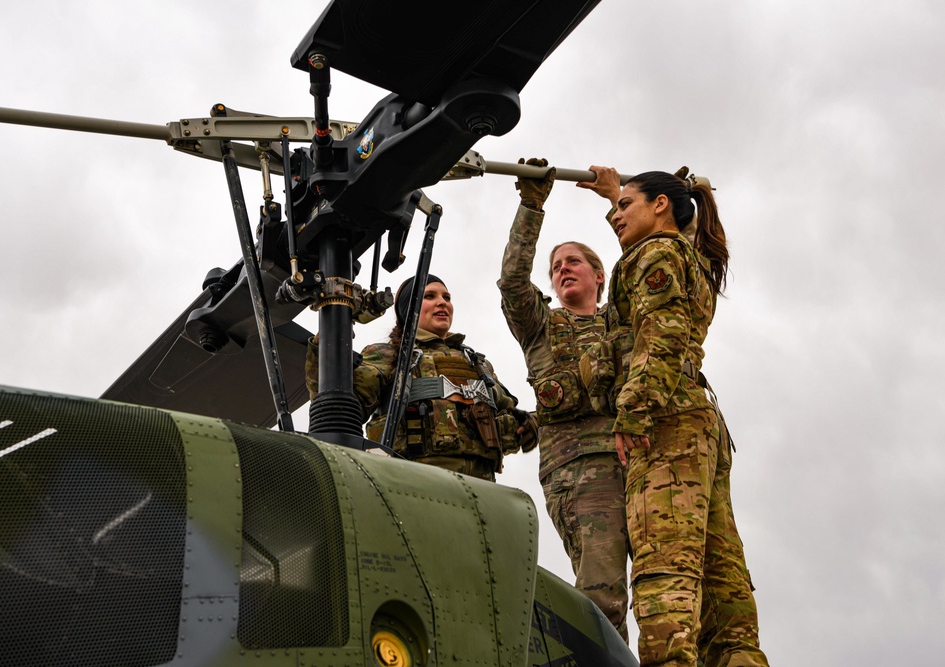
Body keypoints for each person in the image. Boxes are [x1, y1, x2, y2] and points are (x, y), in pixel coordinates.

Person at [577, 165, 769, 667]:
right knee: (723, 588)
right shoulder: (686, 253)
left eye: (625, 206)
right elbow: (651, 255)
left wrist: (634, 412)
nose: (616, 216)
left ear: (660, 205)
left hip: (665, 422)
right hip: (699, 420)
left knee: (665, 574)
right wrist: (617, 193)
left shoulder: (656, 253)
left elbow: (660, 331)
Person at [497, 158, 631, 642]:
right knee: (603, 591)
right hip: (581, 470)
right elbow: (513, 282)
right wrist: (531, 206)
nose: (562, 271)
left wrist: (620, 202)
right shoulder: (541, 326)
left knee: (670, 589)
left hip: (644, 461)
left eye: (573, 262)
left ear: (599, 274)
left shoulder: (621, 319)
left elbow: (646, 266)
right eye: (556, 268)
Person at [305, 275, 537, 482]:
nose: (442, 302)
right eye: (430, 296)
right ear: (409, 309)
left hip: (483, 487)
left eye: (446, 297)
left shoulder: (478, 363)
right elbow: (336, 406)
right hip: (415, 483)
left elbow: (511, 414)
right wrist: (326, 346)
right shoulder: (391, 355)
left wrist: (528, 426)